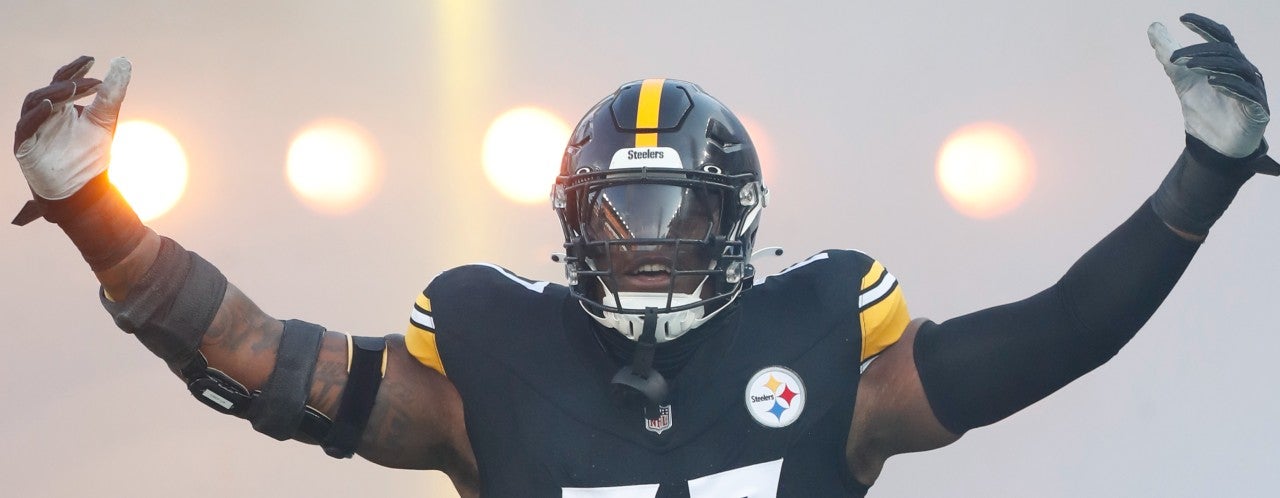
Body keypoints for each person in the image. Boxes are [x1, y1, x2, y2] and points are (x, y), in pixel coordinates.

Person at [10, 12, 1275, 497]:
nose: (652, 250)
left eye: (676, 216)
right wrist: (92, 211)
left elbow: (1059, 333)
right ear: (569, 224)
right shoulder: (489, 356)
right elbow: (261, 368)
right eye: (623, 217)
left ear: (737, 219)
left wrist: (1201, 175)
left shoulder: (827, 342)